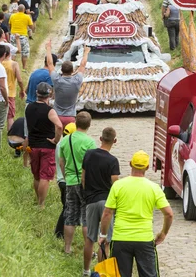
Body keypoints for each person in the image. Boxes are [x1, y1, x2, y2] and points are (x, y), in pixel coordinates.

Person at [98, 151, 174, 277]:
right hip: (144, 239)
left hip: (120, 238)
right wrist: (163, 233)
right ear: (148, 167)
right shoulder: (154, 188)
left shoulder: (118, 185)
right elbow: (169, 214)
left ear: (130, 164)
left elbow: (107, 213)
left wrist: (103, 234)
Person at [82, 127, 120, 275]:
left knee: (90, 238)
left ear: (100, 138)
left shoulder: (89, 155)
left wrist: (88, 194)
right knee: (104, 239)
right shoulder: (112, 161)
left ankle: (86, 271)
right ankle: (101, 273)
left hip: (91, 201)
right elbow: (116, 185)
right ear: (114, 141)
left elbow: (83, 178)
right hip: (106, 203)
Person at [58, 111, 97, 255]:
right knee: (86, 218)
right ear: (89, 125)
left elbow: (61, 162)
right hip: (85, 184)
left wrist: (67, 176)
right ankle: (90, 250)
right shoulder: (90, 142)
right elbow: (93, 165)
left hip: (70, 182)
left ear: (75, 123)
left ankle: (67, 248)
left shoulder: (65, 140)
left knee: (70, 215)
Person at [25, 82, 63, 207]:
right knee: (45, 176)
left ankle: (37, 199)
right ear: (49, 95)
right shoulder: (49, 111)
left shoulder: (29, 107)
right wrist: (56, 140)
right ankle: (41, 204)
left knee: (36, 176)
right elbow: (59, 126)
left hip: (33, 145)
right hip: (47, 146)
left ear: (37, 93)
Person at [46, 40, 89, 127]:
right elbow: (83, 65)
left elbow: (50, 64)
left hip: (57, 115)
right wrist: (86, 52)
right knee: (69, 139)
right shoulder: (77, 80)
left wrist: (48, 49)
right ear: (72, 71)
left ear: (61, 70)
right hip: (70, 116)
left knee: (56, 139)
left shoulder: (57, 79)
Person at [55, 122, 77, 238]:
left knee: (66, 206)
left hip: (60, 179)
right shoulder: (68, 146)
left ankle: (61, 233)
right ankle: (59, 233)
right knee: (67, 208)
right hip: (66, 180)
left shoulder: (60, 143)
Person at [2, 45, 25, 130]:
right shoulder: (14, 64)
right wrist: (22, 90)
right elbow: (19, 79)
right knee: (10, 116)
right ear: (9, 53)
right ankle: (10, 136)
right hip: (10, 93)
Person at [9, 5, 34, 70]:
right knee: (24, 52)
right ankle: (24, 67)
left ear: (17, 9)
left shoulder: (12, 16)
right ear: (24, 9)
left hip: (13, 35)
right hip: (23, 36)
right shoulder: (27, 17)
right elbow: (31, 27)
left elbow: (10, 25)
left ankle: (12, 67)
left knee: (13, 52)